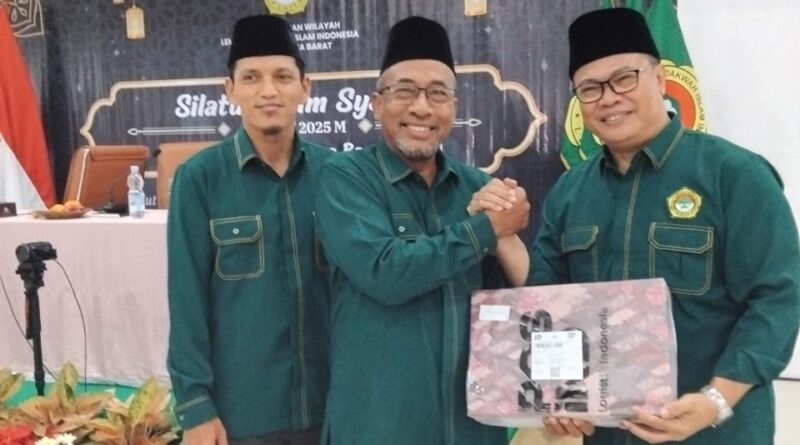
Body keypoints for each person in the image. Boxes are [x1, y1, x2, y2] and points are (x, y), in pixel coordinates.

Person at [524, 7, 800, 445]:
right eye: (590, 88)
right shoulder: (570, 192)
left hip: (715, 430)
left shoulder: (734, 175)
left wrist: (716, 400)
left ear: (661, 79)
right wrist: (555, 395)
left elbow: (778, 299)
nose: (608, 98)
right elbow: (546, 300)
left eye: (624, 78)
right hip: (609, 434)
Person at [314, 16, 531, 445]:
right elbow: (385, 273)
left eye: (438, 93)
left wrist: (505, 232)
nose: (422, 108)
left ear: (455, 107)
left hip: (470, 425)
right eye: (405, 91)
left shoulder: (477, 186)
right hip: (379, 425)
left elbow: (521, 300)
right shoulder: (346, 177)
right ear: (377, 104)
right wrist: (484, 229)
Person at [166, 15, 332, 445]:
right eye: (252, 77)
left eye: (282, 76)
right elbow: (186, 301)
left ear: (306, 87)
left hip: (333, 406)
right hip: (243, 414)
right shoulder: (200, 179)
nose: (268, 90)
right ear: (230, 89)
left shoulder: (337, 175)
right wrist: (195, 408)